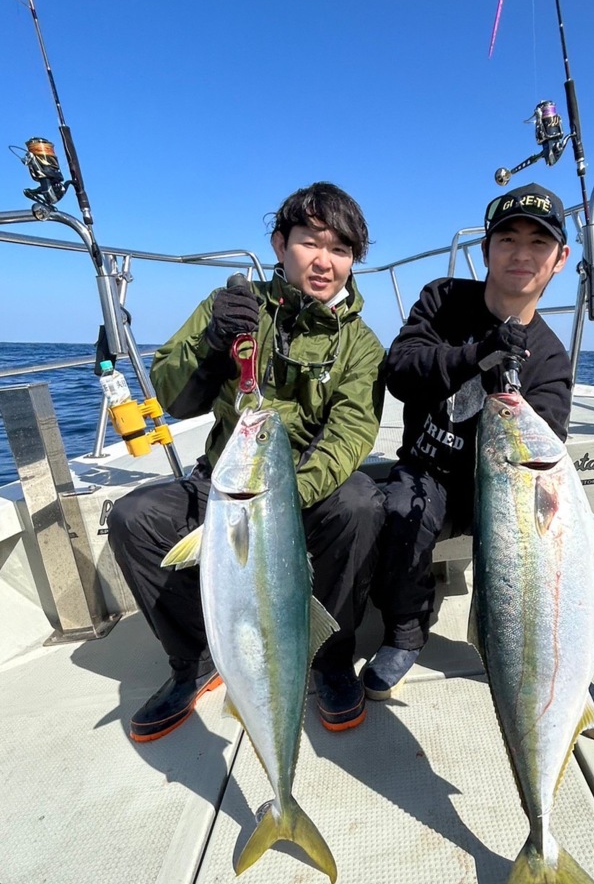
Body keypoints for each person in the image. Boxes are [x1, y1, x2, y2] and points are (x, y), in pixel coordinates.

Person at [108, 182, 386, 738]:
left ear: (354, 261)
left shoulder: (363, 347)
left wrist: (274, 504)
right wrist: (211, 344)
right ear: (281, 244)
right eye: (312, 242)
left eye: (342, 249)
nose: (325, 261)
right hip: (222, 484)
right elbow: (172, 395)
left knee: (361, 503)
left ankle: (330, 658)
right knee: (132, 518)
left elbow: (349, 438)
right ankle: (195, 659)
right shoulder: (230, 306)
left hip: (303, 490)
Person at [366, 182, 594, 740]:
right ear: (486, 251)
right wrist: (472, 356)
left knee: (547, 543)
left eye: (539, 242)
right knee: (399, 506)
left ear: (560, 260)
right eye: (507, 238)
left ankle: (565, 670)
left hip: (502, 488)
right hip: (430, 469)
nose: (521, 253)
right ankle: (406, 634)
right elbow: (401, 371)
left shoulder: (551, 356)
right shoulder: (443, 298)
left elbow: (545, 445)